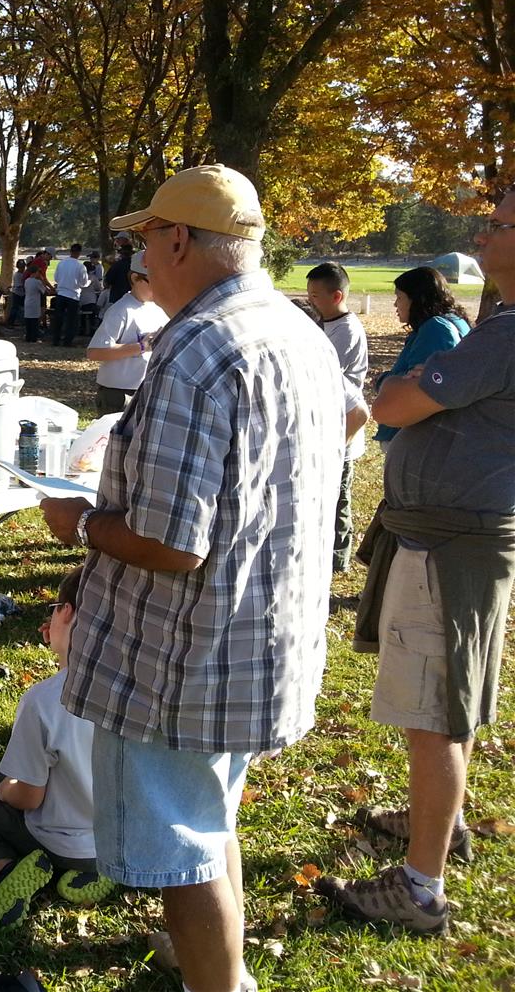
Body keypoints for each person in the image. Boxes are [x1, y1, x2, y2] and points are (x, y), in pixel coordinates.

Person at [40, 166, 346, 992]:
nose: (141, 259)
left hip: (184, 656)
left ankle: (216, 981)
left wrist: (81, 525)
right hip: (261, 637)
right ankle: (228, 971)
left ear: (178, 240)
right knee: (209, 822)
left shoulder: (196, 349)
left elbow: (171, 544)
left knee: (181, 853)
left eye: (147, 241)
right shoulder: (297, 331)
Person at [319, 189, 515, 935]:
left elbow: (394, 405)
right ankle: (440, 820)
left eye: (496, 225)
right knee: (445, 700)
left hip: (449, 546)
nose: (481, 237)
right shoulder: (495, 327)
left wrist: (401, 386)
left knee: (435, 711)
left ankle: (420, 886)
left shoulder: (503, 336)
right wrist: (408, 386)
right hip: (454, 538)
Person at [0, 569, 117, 933]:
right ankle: (93, 872)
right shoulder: (141, 684)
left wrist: (6, 791)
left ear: (66, 612)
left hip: (59, 840)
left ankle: (6, 868)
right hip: (120, 840)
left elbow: (28, 797)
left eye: (54, 609)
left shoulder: (44, 700)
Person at [306, 263, 371, 572]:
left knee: (338, 496)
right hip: (322, 426)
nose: (311, 301)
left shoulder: (346, 330)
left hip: (343, 427)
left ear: (337, 296)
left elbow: (325, 374)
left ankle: (337, 557)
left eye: (315, 296)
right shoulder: (324, 324)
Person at [370, 266, 471, 448]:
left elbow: (418, 387)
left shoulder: (436, 329)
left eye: (399, 297)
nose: (395, 304)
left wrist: (383, 381)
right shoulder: (453, 321)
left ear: (417, 299)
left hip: (417, 438)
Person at [85, 256, 166, 415]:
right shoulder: (121, 310)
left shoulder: (158, 309)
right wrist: (141, 346)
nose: (160, 287)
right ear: (135, 278)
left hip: (147, 390)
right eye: (154, 281)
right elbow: (95, 352)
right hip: (119, 394)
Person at [51, 244, 88, 346]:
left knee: (59, 318)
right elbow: (83, 283)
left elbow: (56, 278)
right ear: (79, 253)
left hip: (61, 293)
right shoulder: (80, 266)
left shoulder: (61, 263)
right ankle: (68, 341)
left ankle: (56, 340)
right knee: (71, 320)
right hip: (73, 295)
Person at [106, 234, 134, 305]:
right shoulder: (136, 264)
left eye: (118, 239)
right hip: (132, 298)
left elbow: (107, 282)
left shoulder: (116, 265)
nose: (117, 241)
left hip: (117, 298)